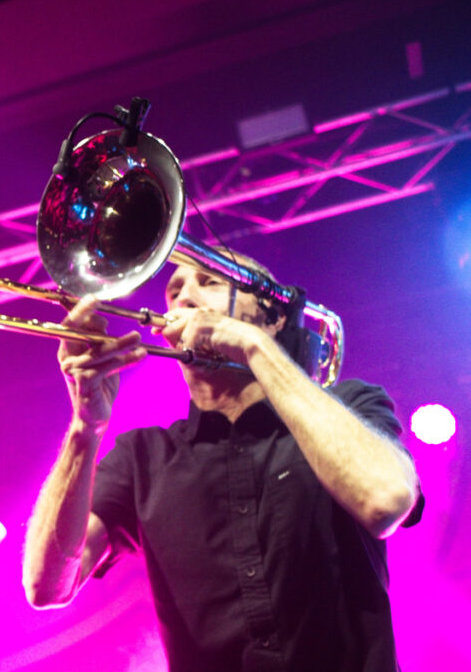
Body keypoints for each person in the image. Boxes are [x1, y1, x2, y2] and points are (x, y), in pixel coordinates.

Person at [23, 256, 423, 671]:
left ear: (271, 319)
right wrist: (85, 426)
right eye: (174, 291)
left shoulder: (348, 407)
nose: (184, 297)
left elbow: (386, 500)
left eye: (209, 281)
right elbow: (46, 586)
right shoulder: (142, 457)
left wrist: (254, 347)